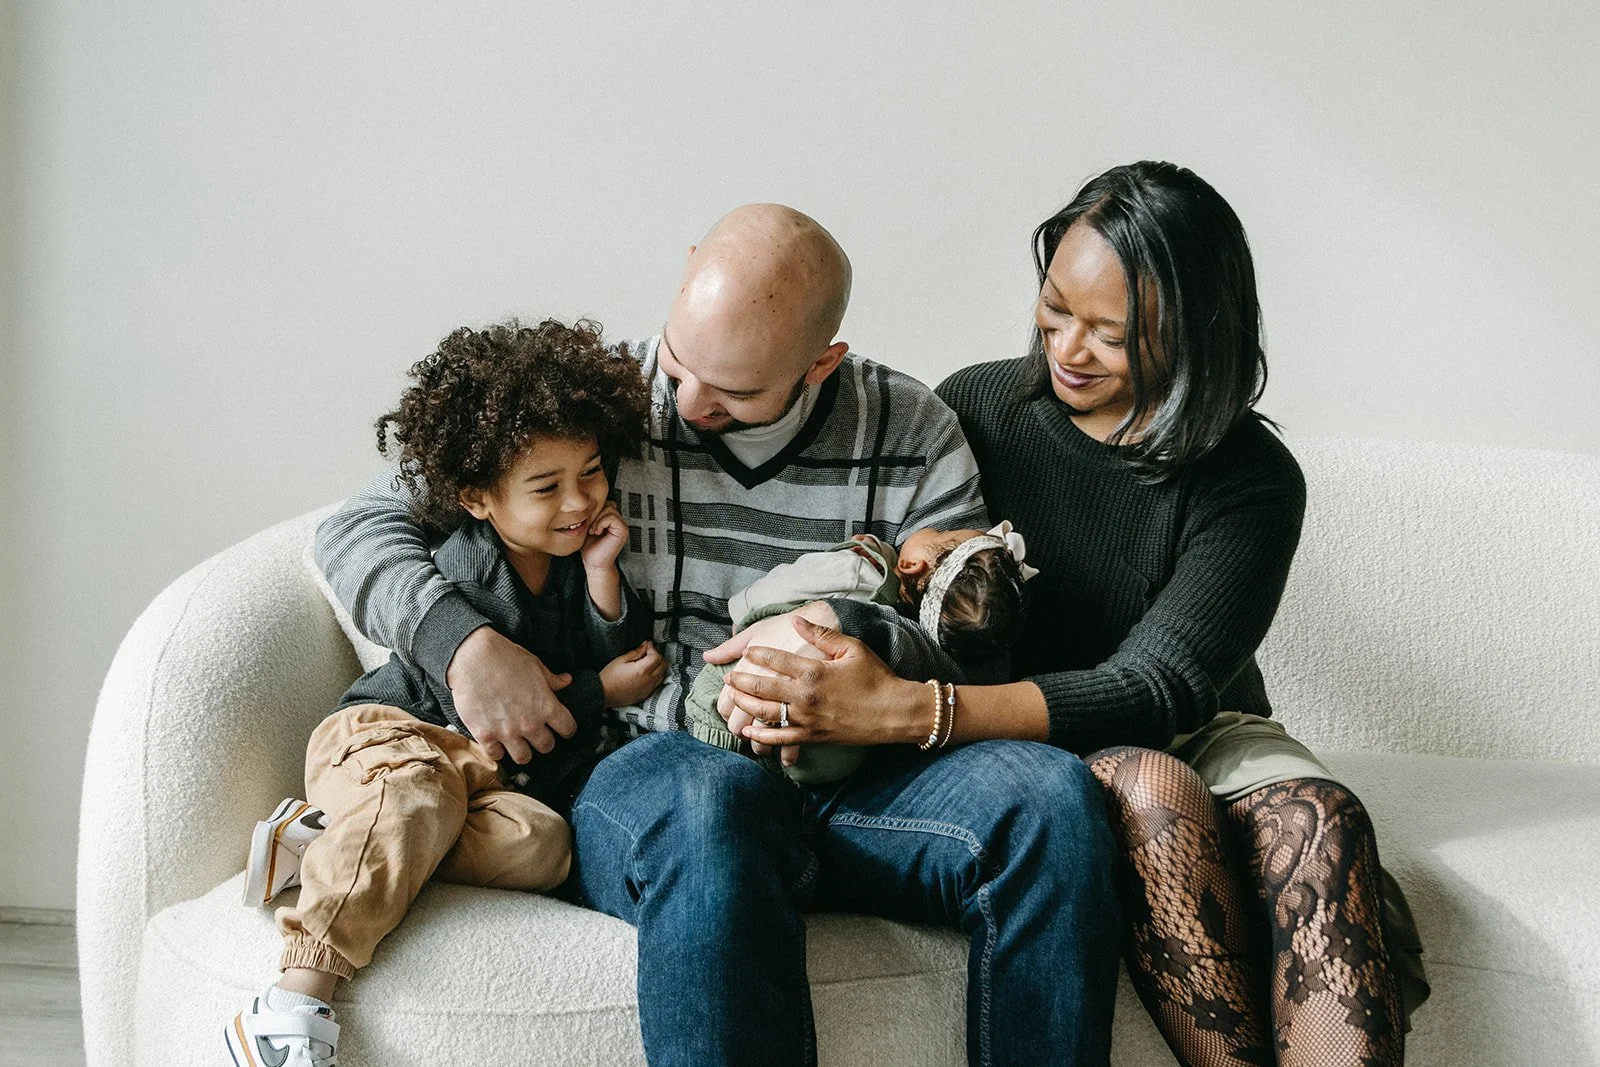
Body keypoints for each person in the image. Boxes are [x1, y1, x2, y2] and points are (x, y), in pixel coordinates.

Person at [315, 203, 1122, 1065]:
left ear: (822, 362)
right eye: (680, 358)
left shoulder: (912, 432)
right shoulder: (598, 403)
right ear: (687, 267)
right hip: (655, 765)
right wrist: (463, 644)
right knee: (717, 802)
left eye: (733, 392)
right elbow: (354, 525)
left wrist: (862, 646)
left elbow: (971, 646)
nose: (685, 403)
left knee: (1052, 802)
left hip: (859, 778)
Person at [713, 163, 1427, 1067]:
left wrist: (909, 709)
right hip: (1019, 738)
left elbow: (1161, 684)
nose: (1069, 348)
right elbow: (893, 579)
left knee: (1323, 822)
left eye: (1111, 333)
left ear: (1193, 331)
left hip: (1195, 722)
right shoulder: (974, 406)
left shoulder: (1249, 476)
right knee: (1150, 794)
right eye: (1056, 309)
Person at [228, 319, 661, 1067]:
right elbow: (495, 704)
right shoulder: (466, 567)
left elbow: (598, 648)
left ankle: (330, 838)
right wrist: (600, 690)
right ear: (477, 498)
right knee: (416, 795)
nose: (580, 500)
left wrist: (600, 576)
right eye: (547, 486)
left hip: (472, 775)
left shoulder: (567, 558)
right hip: (393, 735)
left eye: (591, 472)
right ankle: (292, 999)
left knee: (544, 843)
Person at [686, 521, 1034, 785]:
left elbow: (759, 598)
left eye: (943, 530)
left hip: (734, 704)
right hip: (830, 765)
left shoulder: (855, 573)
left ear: (913, 566)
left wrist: (749, 618)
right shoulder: (937, 657)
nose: (934, 526)